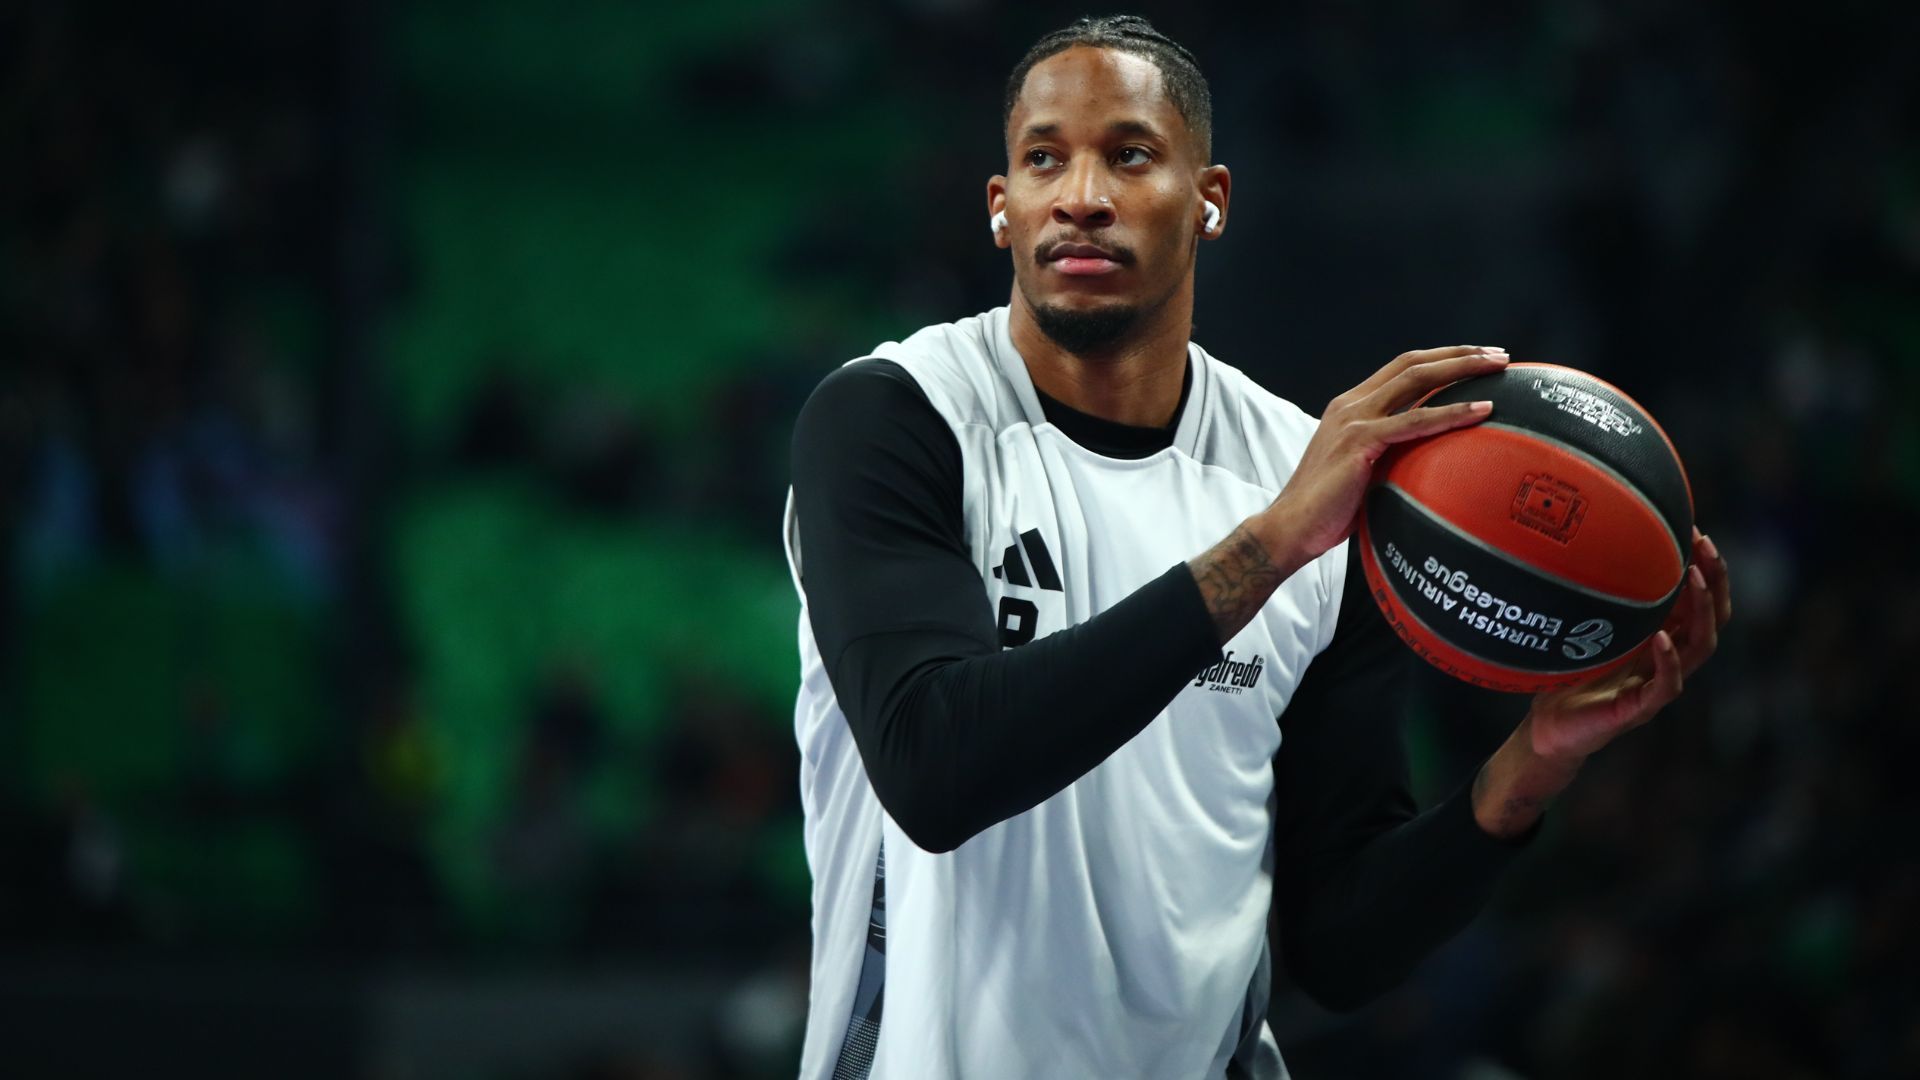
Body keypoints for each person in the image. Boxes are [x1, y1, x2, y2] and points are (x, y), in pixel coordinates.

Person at [781, 15, 1732, 1080]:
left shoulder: (1313, 476)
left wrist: (1531, 768)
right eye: (1044, 159)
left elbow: (1339, 947)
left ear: (1211, 200)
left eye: (1129, 155)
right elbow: (934, 771)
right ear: (1002, 208)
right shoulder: (897, 417)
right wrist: (1270, 548)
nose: (1081, 195)